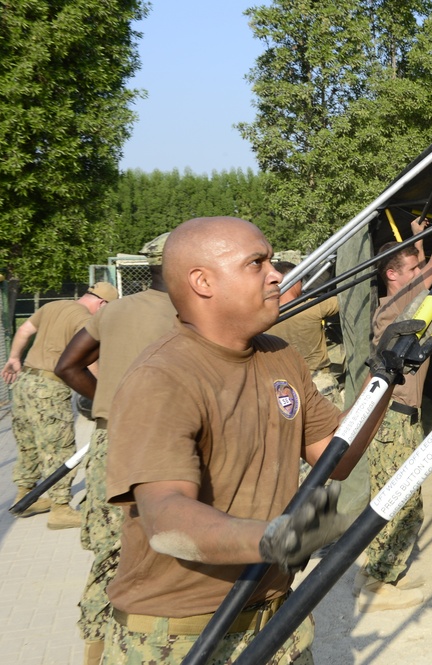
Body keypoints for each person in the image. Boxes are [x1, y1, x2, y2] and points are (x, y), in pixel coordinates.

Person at [100, 216, 399, 664]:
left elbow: (334, 457)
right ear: (202, 282)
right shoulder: (163, 378)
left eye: (271, 261)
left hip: (277, 621)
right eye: (256, 263)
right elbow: (165, 518)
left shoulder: (279, 355)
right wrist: (275, 539)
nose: (276, 274)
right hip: (181, 637)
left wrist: (386, 378)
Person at [54, 232, 176, 665]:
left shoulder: (117, 310)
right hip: (160, 446)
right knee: (155, 550)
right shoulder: (191, 314)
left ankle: (94, 646)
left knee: (109, 550)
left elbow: (67, 365)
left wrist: (112, 401)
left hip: (109, 440)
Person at [354, 190, 432, 613]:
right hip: (393, 418)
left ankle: (378, 572)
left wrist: (418, 235)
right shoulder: (398, 304)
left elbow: (425, 264)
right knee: (403, 499)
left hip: (398, 416)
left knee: (392, 495)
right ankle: (380, 585)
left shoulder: (395, 302)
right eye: (411, 267)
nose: (420, 272)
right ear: (393, 276)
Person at [2, 281, 119, 529]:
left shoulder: (52, 305)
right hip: (49, 389)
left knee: (28, 441)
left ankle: (25, 494)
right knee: (59, 446)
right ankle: (60, 509)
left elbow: (24, 330)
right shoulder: (85, 320)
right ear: (102, 303)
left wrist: (14, 358)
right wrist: (104, 393)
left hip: (24, 382)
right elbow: (88, 361)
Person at [268, 261, 343, 410]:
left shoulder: (263, 315)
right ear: (296, 282)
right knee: (336, 428)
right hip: (318, 382)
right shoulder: (313, 306)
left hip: (281, 385)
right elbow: (346, 301)